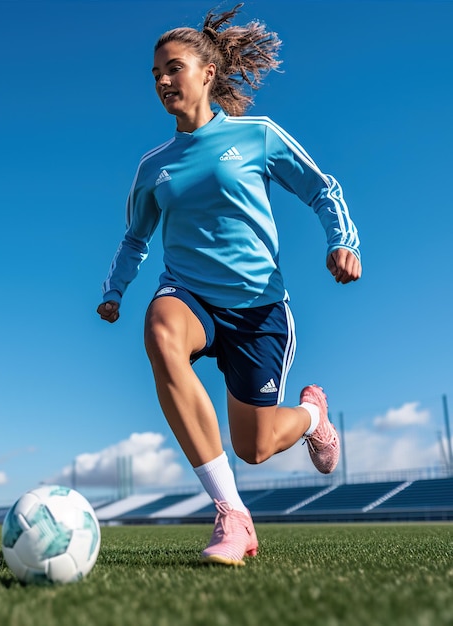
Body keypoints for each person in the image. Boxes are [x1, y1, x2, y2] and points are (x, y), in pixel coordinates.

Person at [97, 3, 361, 566]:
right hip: (190, 296)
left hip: (259, 310)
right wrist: (115, 291)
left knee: (255, 446)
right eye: (155, 75)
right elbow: (135, 239)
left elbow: (322, 189)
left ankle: (313, 416)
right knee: (161, 330)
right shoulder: (155, 166)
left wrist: (344, 242)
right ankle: (232, 515)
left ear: (207, 72)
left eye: (174, 68)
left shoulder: (257, 136)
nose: (163, 81)